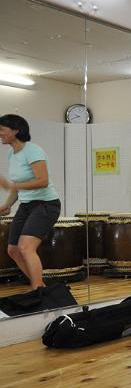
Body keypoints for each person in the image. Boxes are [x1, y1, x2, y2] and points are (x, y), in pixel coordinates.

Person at [0, 114, 61, 291]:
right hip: (26, 205)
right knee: (13, 250)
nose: (0, 133)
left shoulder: (33, 150)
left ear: (16, 130)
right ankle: (41, 288)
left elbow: (42, 181)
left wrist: (12, 185)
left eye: (2, 129)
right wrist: (7, 205)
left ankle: (37, 291)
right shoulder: (12, 155)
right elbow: (17, 188)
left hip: (45, 204)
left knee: (26, 248)